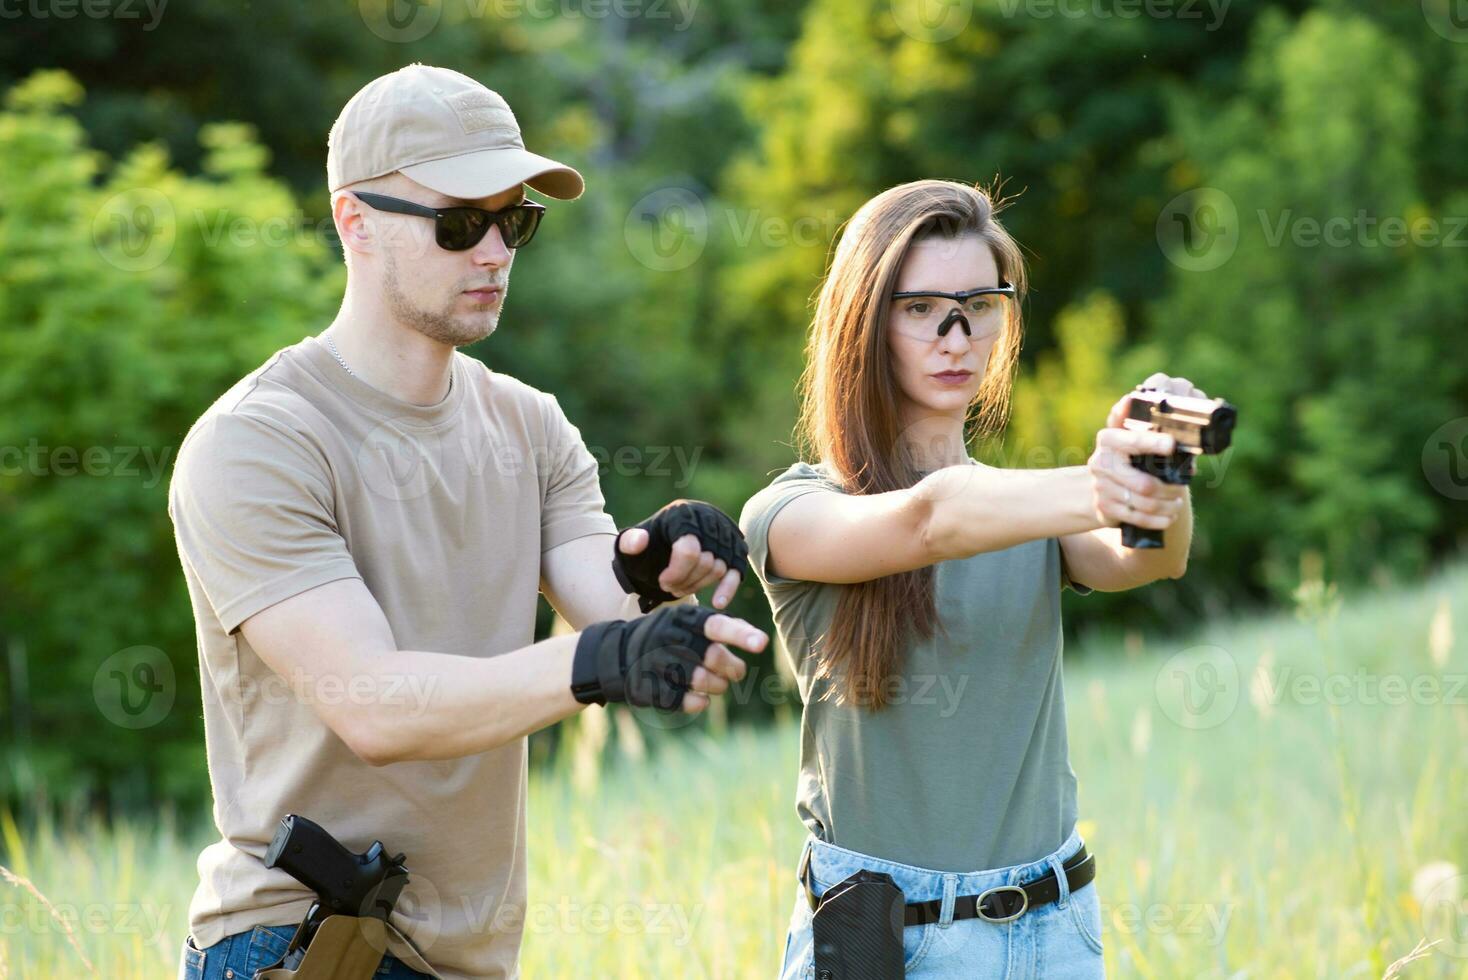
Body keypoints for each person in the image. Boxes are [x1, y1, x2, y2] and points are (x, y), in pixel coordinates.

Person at [168, 64, 767, 980]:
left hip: (472, 958)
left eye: (514, 220)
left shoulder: (530, 424)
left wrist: (656, 575)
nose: (494, 251)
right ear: (353, 220)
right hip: (300, 949)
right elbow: (374, 705)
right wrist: (598, 662)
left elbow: (602, 610)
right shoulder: (257, 443)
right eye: (458, 223)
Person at [739, 179, 1208, 978]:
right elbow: (929, 519)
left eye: (979, 305)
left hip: (1054, 926)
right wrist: (1105, 479)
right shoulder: (791, 513)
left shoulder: (1026, 512)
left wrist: (1164, 470)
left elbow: (1153, 557)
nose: (956, 337)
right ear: (866, 324)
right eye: (920, 309)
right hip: (889, 941)